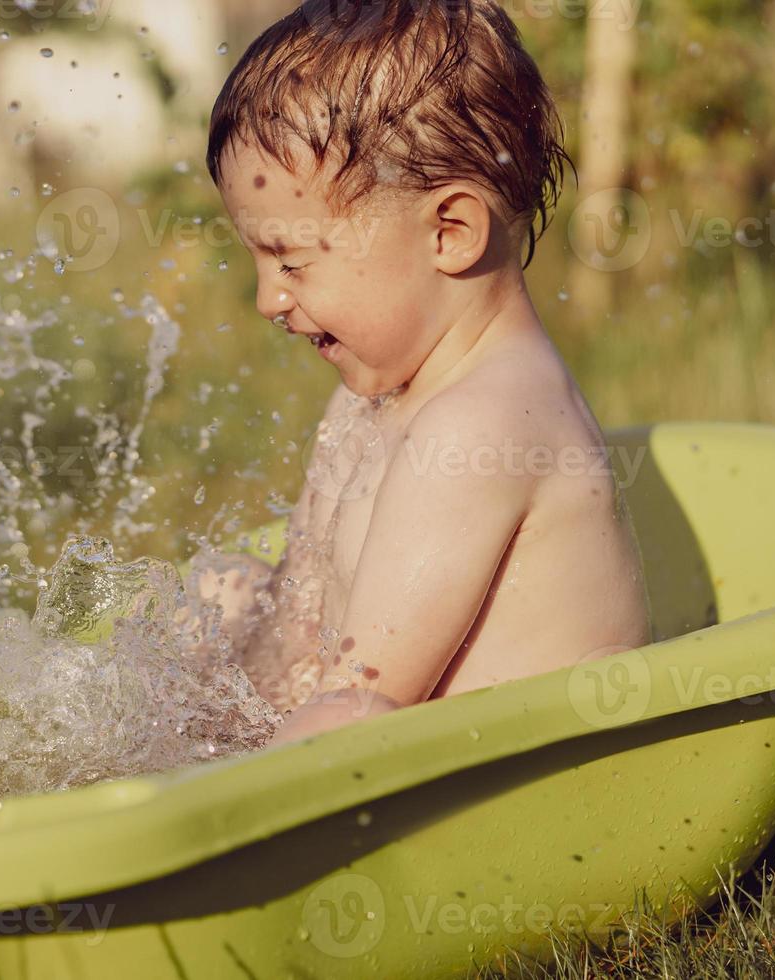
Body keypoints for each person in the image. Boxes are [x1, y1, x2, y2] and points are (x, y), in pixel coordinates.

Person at [185, 0, 653, 745]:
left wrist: (195, 791)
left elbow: (359, 696)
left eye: (292, 260)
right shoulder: (368, 398)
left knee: (345, 717)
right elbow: (296, 629)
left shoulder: (484, 426)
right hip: (413, 752)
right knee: (220, 588)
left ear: (449, 232)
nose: (267, 299)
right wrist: (205, 720)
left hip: (530, 784)